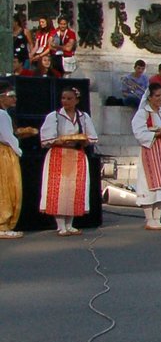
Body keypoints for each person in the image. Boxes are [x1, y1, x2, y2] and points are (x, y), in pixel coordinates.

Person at [39, 85, 97, 235]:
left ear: (77, 100)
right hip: (59, 154)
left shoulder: (83, 117)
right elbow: (46, 138)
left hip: (77, 154)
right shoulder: (54, 116)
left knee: (74, 189)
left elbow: (91, 136)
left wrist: (83, 140)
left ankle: (70, 223)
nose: (65, 101)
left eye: (69, 98)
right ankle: (60, 225)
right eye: (63, 98)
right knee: (59, 189)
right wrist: (62, 140)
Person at [130, 84, 161, 230]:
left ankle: (157, 218)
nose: (160, 99)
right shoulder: (142, 113)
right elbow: (139, 133)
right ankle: (149, 218)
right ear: (149, 97)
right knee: (149, 183)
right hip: (150, 150)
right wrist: (156, 134)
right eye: (157, 96)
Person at [0, 81, 22, 239]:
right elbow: (7, 137)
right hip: (4, 154)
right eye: (11, 96)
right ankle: (3, 224)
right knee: (6, 188)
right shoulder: (2, 115)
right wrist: (18, 150)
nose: (14, 99)